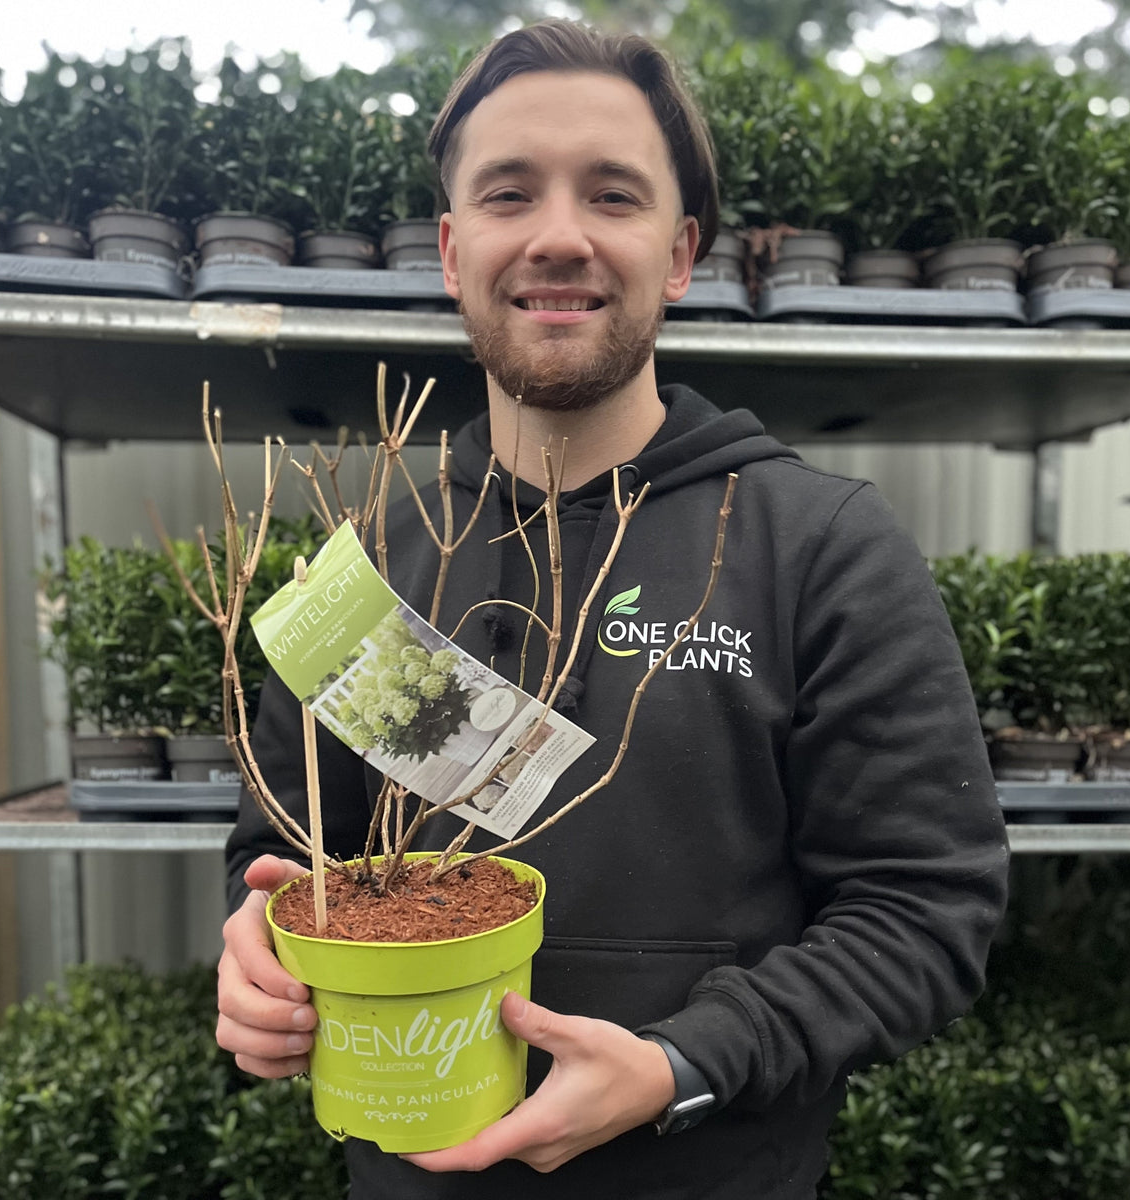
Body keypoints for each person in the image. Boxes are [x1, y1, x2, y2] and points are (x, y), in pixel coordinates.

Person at [218, 18, 1010, 1199]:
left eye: (613, 195)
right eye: (508, 193)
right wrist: (257, 972)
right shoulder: (367, 571)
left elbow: (926, 906)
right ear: (449, 246)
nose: (557, 236)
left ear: (680, 251)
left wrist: (684, 1063)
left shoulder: (817, 549)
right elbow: (282, 861)